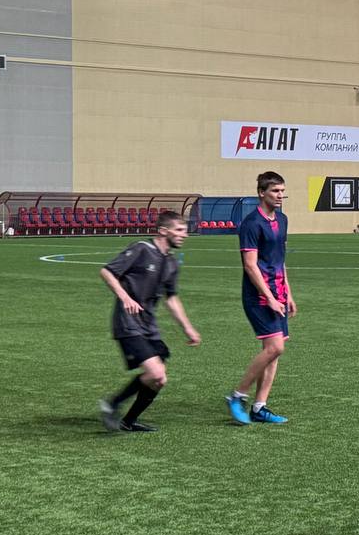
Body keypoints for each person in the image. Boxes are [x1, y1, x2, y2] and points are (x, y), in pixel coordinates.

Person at [98, 211, 201, 432]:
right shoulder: (141, 249)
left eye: (185, 230)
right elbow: (107, 271)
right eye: (179, 230)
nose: (185, 235)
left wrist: (188, 328)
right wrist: (125, 298)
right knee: (156, 373)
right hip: (128, 323)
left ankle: (128, 422)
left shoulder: (171, 263)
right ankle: (112, 404)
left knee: (159, 379)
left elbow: (171, 298)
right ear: (163, 231)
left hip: (149, 327)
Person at [226, 171, 296, 426]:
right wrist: (270, 297)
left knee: (273, 352)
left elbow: (280, 260)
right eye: (275, 191)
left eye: (282, 191)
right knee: (275, 347)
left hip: (279, 293)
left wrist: (288, 293)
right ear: (261, 193)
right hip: (258, 295)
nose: (280, 195)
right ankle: (237, 396)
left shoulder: (283, 220)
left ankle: (259, 407)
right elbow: (250, 265)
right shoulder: (251, 223)